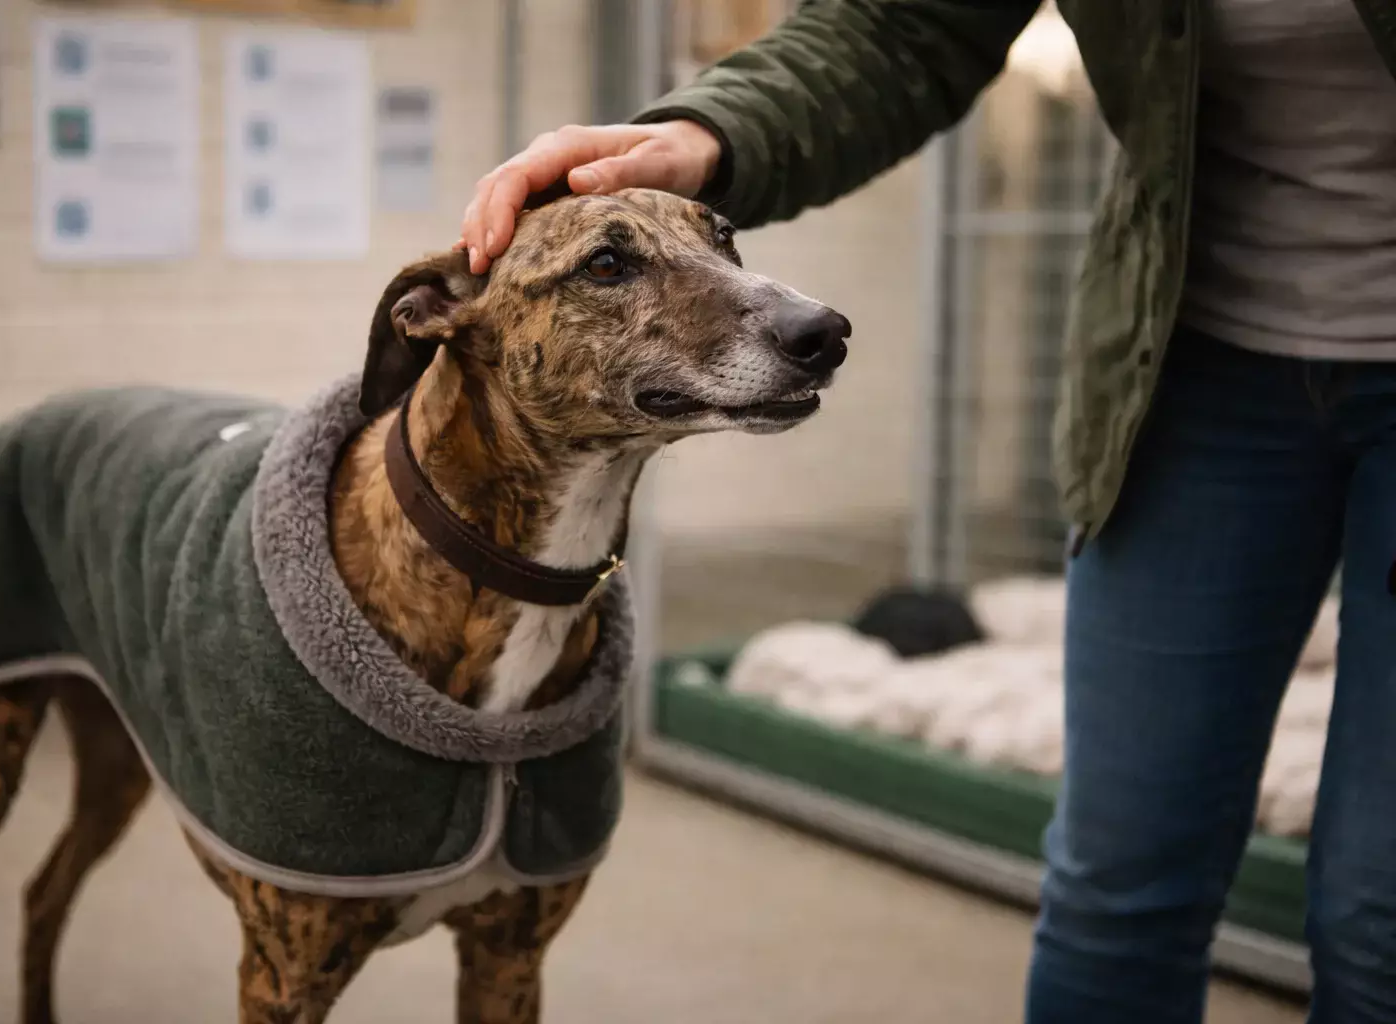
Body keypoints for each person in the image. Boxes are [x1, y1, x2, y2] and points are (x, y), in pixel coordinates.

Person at [458, 2, 1396, 1022]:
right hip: (1191, 353)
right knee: (1118, 888)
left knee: (1376, 911)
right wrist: (709, 128)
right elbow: (903, 22)